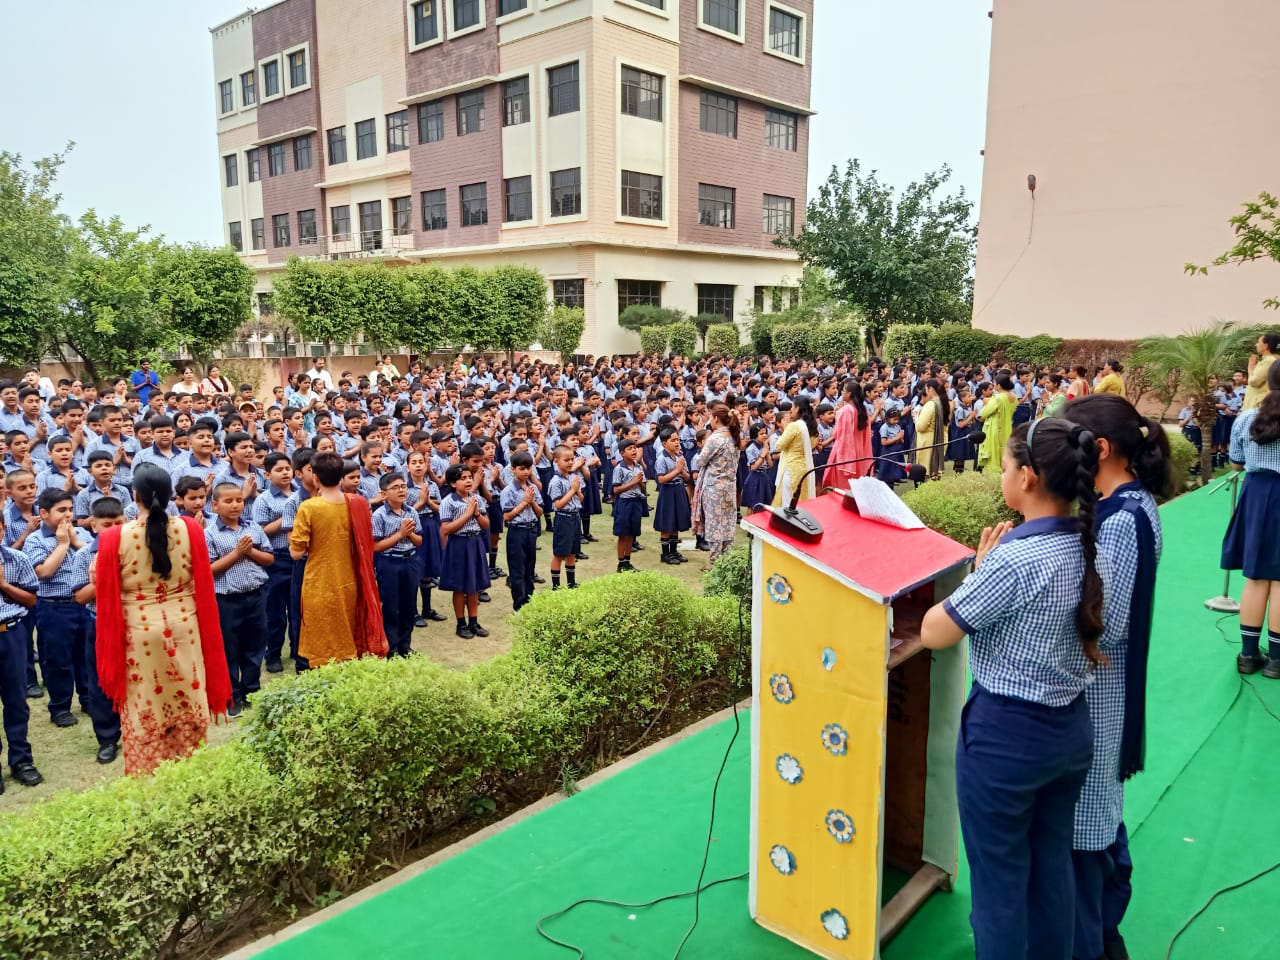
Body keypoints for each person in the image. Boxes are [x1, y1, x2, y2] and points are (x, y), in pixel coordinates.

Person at [920, 417, 1108, 960]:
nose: (1001, 476)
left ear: (1027, 477)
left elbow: (935, 631)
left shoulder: (1015, 558)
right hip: (1068, 733)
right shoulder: (1086, 542)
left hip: (1006, 739)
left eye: (1004, 467)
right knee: (1051, 868)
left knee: (999, 885)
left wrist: (979, 572)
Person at [1066, 394, 1170, 960]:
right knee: (1098, 808)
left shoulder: (1124, 519)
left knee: (1090, 821)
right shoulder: (1125, 504)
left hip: (1100, 690)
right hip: (1103, 686)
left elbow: (1106, 623)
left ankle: (1096, 935)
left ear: (1101, 449)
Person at [94, 465, 233, 776]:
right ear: (172, 495)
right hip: (185, 625)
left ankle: (150, 770)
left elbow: (105, 588)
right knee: (187, 690)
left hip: (140, 630)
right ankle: (191, 765)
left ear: (135, 495)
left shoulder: (115, 537)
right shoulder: (189, 528)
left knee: (145, 698)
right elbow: (201, 579)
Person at [287, 451, 387, 665]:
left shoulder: (309, 507)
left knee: (322, 642)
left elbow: (296, 552)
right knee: (349, 633)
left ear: (315, 477)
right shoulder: (359, 502)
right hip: (351, 580)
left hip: (319, 583)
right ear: (341, 477)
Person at [1221, 360, 1280, 677]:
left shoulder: (1246, 418)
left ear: (1269, 382)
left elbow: (1236, 462)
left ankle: (1248, 655)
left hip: (1256, 494)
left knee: (1256, 577)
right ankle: (1277, 660)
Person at [205, 482, 273, 716]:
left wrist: (250, 552)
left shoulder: (253, 527)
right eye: (228, 501)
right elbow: (208, 570)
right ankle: (232, 696)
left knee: (255, 645)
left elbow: (269, 559)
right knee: (230, 648)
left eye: (239, 500)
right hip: (227, 601)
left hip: (256, 595)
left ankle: (252, 690)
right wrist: (237, 553)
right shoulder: (210, 534)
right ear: (215, 505)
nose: (235, 505)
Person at [25, 488, 90, 729]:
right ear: (44, 513)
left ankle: (88, 699)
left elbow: (98, 560)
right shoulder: (36, 539)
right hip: (54, 607)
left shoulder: (81, 533)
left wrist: (76, 541)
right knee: (58, 660)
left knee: (85, 656)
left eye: (70, 510)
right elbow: (43, 571)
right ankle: (60, 707)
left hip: (83, 604)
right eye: (61, 510)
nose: (68, 515)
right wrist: (63, 544)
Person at [69, 496, 126, 764]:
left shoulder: (137, 549)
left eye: (119, 523)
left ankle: (141, 728)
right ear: (94, 526)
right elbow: (81, 597)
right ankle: (107, 738)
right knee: (102, 681)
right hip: (100, 623)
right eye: (107, 525)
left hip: (135, 621)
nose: (114, 529)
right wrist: (105, 576)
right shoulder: (84, 555)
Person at [0, 510, 43, 791]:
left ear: (3, 529)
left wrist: (3, 584)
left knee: (16, 700)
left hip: (10, 633)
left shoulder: (17, 559)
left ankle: (21, 760)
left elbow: (30, 600)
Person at [252, 452, 295, 673]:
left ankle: (299, 649)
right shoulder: (264, 500)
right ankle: (273, 655)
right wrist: (287, 515)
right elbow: (260, 532)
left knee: (297, 608)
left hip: (298, 555)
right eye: (279, 470)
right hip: (276, 558)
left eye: (288, 468)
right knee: (275, 611)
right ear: (267, 475)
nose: (285, 473)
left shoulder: (300, 493)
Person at [372, 473, 422, 658]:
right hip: (389, 563)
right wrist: (400, 535)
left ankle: (405, 646)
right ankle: (391, 649)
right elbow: (376, 546)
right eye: (395, 487)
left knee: (408, 606)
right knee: (391, 607)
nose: (401, 490)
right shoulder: (379, 515)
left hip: (410, 561)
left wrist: (409, 534)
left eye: (403, 486)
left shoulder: (411, 512)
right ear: (384, 493)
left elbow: (419, 540)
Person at [438, 464, 491, 638]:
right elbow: (446, 529)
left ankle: (473, 622)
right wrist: (467, 515)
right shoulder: (448, 502)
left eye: (470, 477)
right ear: (453, 483)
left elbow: (486, 524)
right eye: (463, 478)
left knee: (474, 585)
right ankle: (461, 623)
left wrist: (476, 514)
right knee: (460, 587)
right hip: (458, 544)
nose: (468, 481)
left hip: (475, 542)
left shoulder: (476, 499)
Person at [691, 404, 740, 564]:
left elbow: (700, 461)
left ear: (716, 418)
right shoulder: (734, 436)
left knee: (714, 523)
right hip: (730, 486)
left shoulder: (715, 438)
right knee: (728, 522)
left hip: (714, 487)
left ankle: (714, 561)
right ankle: (726, 558)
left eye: (711, 417)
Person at [499, 451, 542, 611]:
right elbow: (507, 516)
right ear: (513, 469)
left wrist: (531, 502)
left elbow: (539, 512)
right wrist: (524, 503)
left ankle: (529, 602)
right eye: (522, 468)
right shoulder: (508, 490)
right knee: (517, 570)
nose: (526, 472)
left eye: (528, 468)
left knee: (530, 568)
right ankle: (519, 605)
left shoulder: (533, 488)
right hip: (517, 531)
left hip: (531, 530)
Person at [547, 445, 584, 591]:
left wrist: (577, 491)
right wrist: (573, 490)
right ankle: (556, 586)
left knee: (573, 552)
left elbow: (581, 499)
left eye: (572, 459)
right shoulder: (555, 481)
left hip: (575, 516)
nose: (570, 462)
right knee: (559, 553)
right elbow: (558, 504)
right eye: (566, 460)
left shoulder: (574, 477)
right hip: (563, 518)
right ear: (556, 461)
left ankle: (571, 582)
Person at [824, 380, 873, 489]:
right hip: (860, 450)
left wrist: (838, 414)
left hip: (846, 452)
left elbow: (838, 434)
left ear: (849, 394)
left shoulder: (846, 410)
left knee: (842, 486)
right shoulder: (863, 410)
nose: (841, 392)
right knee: (857, 484)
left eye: (843, 390)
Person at [654, 428, 692, 564]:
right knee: (667, 522)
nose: (677, 443)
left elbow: (687, 477)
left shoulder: (680, 458)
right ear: (664, 443)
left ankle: (674, 551)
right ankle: (665, 554)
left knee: (676, 521)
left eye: (678, 440)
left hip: (679, 490)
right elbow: (661, 479)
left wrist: (682, 471)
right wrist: (677, 470)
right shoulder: (661, 459)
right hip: (668, 491)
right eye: (673, 440)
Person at [771, 396, 817, 507]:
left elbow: (778, 446)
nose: (790, 410)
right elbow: (813, 444)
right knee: (802, 499)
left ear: (797, 408)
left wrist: (785, 428)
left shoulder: (794, 426)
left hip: (791, 468)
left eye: (792, 407)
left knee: (789, 501)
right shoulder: (811, 425)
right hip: (805, 467)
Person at [611, 439, 646, 573]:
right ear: (622, 453)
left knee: (632, 533)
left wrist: (640, 482)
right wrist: (633, 482)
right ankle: (620, 563)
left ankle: (627, 561)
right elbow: (616, 490)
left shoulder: (638, 467)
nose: (633, 450)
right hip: (624, 503)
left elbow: (643, 488)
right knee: (623, 534)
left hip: (636, 502)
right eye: (630, 448)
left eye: (634, 448)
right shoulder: (619, 468)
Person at [976, 374, 1017, 473]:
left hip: (995, 429)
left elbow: (983, 414)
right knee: (1005, 453)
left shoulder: (997, 398)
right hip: (1007, 428)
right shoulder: (1014, 397)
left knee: (994, 454)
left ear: (999, 385)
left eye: (994, 384)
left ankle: (994, 475)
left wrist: (985, 404)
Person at [914, 378, 952, 479]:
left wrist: (916, 417)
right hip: (942, 439)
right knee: (935, 472)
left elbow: (920, 427)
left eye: (926, 388)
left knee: (926, 471)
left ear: (930, 389)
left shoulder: (930, 405)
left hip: (928, 441)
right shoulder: (946, 403)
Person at [1243, 332, 1279, 410]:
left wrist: (1250, 368)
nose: (1256, 345)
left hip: (1256, 405)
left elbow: (1254, 382)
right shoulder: (1266, 361)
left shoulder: (1269, 361)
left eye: (1258, 342)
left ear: (1266, 346)